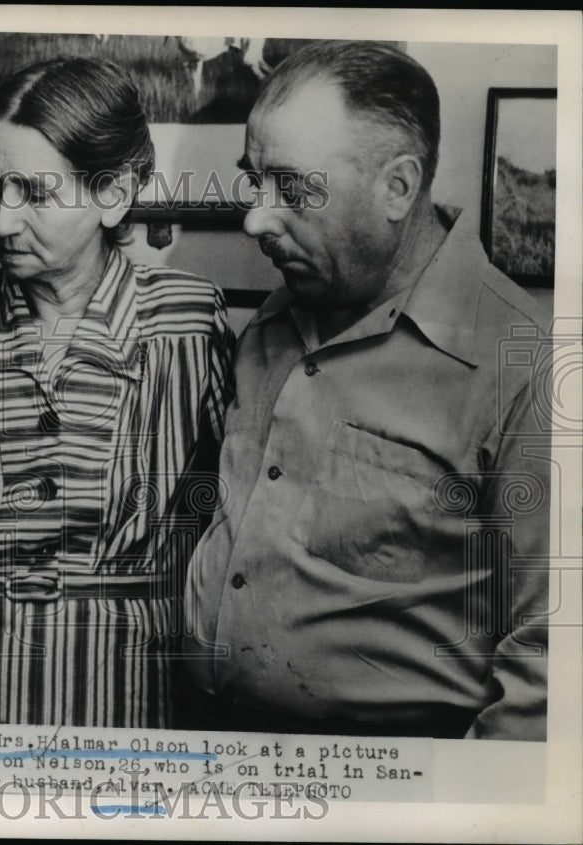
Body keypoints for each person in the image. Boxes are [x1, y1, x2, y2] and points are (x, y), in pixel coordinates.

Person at [0, 56, 234, 727]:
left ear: (114, 193)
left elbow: (241, 523)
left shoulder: (189, 324)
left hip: (127, 699)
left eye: (34, 192)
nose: (0, 222)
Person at [184, 41, 550, 740]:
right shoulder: (273, 321)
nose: (256, 220)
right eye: (253, 183)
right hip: (213, 753)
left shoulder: (526, 368)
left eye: (292, 189)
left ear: (398, 187)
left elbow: (554, 666)